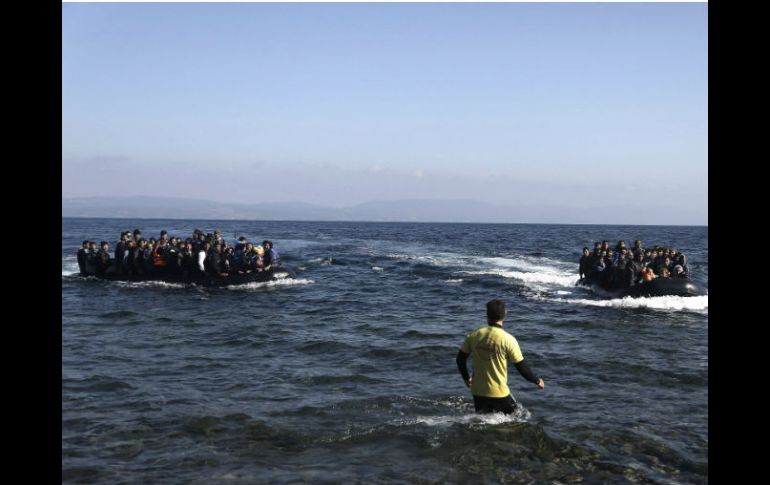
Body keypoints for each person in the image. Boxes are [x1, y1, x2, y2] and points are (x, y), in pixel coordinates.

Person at [456, 299, 544, 415]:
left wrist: (466, 378)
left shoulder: (475, 334)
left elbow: (460, 359)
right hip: (499, 393)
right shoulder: (508, 339)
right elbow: (521, 367)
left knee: (483, 420)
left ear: (487, 314)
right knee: (518, 418)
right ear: (505, 314)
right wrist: (537, 381)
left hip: (477, 392)